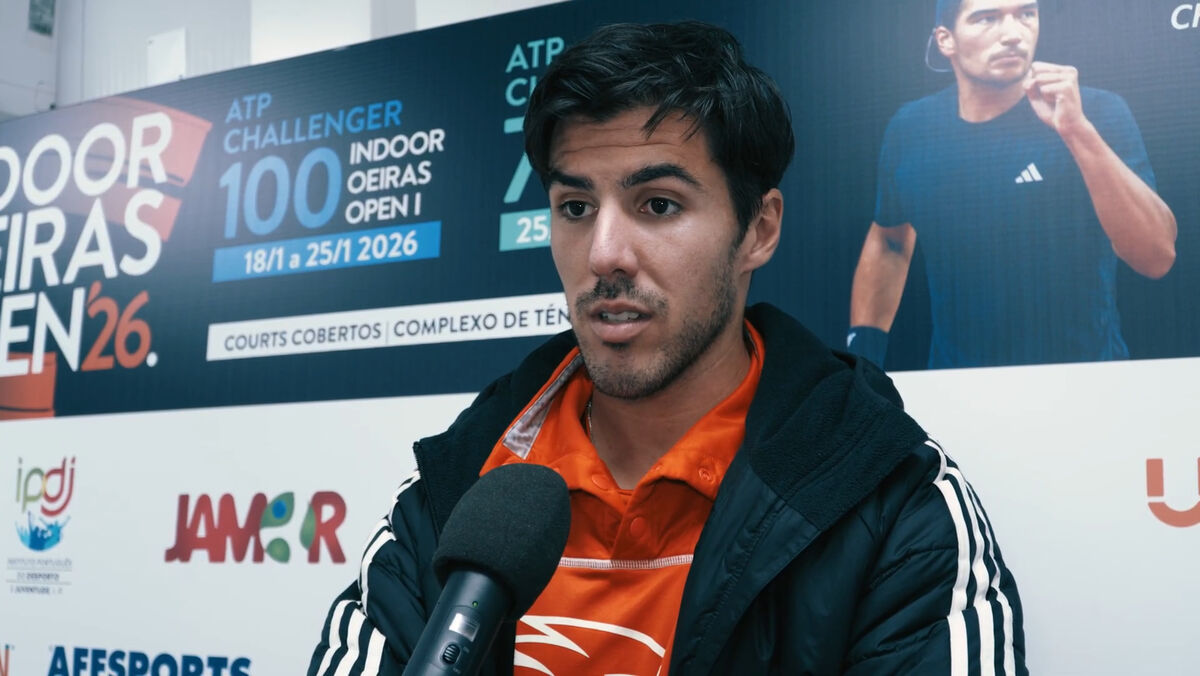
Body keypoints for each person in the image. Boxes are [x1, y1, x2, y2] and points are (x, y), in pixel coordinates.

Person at [309, 21, 1026, 675]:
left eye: (658, 205)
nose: (604, 254)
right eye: (575, 208)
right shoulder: (455, 489)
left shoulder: (891, 505)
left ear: (759, 230)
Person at [849, 0, 1177, 369]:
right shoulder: (911, 128)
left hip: (1083, 379)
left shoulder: (1096, 112)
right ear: (946, 40)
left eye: (1025, 14)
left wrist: (1076, 130)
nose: (1012, 34)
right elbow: (890, 240)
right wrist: (863, 351)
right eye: (986, 18)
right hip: (957, 383)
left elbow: (1156, 257)